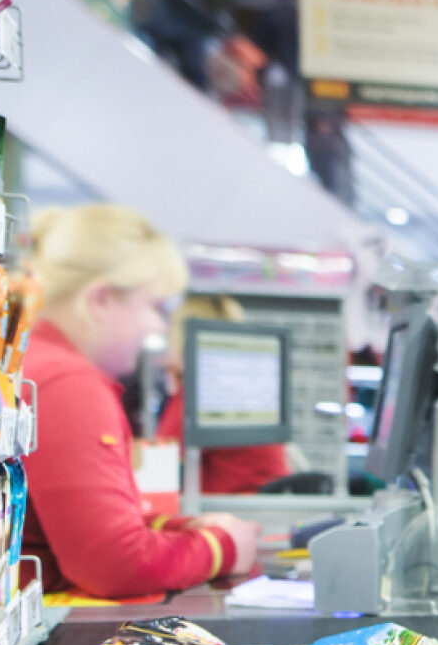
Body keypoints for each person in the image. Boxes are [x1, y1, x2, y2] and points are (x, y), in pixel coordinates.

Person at [20, 205, 263, 599]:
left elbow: (91, 526)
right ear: (100, 300)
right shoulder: (68, 385)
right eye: (154, 307)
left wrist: (183, 529)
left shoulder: (39, 364)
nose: (158, 328)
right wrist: (223, 548)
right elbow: (115, 563)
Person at [155, 294, 292, 494]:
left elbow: (159, 466)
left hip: (227, 514)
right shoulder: (249, 389)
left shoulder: (200, 394)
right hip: (258, 510)